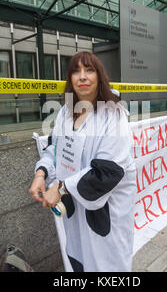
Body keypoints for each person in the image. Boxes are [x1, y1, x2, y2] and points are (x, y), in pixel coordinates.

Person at [29, 51, 136, 272]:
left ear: (99, 76)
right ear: (70, 79)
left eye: (89, 70)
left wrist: (60, 188)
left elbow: (107, 173)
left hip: (105, 219)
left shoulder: (114, 115)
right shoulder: (64, 115)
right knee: (78, 263)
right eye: (76, 71)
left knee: (105, 268)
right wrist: (41, 173)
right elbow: (54, 150)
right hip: (75, 214)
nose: (83, 76)